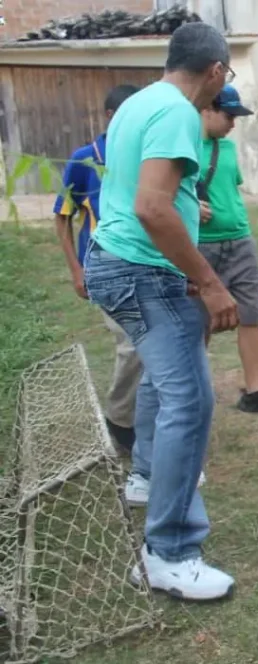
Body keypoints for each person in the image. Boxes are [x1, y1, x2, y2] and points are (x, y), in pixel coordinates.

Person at [83, 22, 238, 601]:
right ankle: (169, 554)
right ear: (217, 71)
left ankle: (148, 479)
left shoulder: (141, 102)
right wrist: (209, 281)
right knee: (191, 398)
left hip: (120, 262)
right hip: (140, 270)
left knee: (165, 383)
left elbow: (143, 194)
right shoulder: (176, 111)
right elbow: (151, 206)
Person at [53, 84, 141, 456]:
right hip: (102, 269)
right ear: (109, 116)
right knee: (133, 344)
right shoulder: (86, 160)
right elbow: (62, 218)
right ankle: (120, 422)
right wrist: (76, 270)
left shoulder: (141, 157)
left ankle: (140, 420)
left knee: (152, 345)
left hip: (144, 266)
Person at [198, 84, 258, 415]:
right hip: (200, 248)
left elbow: (231, 187)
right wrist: (190, 205)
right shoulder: (179, 147)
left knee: (250, 315)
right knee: (199, 320)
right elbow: (160, 192)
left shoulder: (224, 149)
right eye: (228, 116)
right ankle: (197, 391)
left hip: (240, 242)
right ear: (206, 109)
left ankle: (256, 391)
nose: (233, 124)